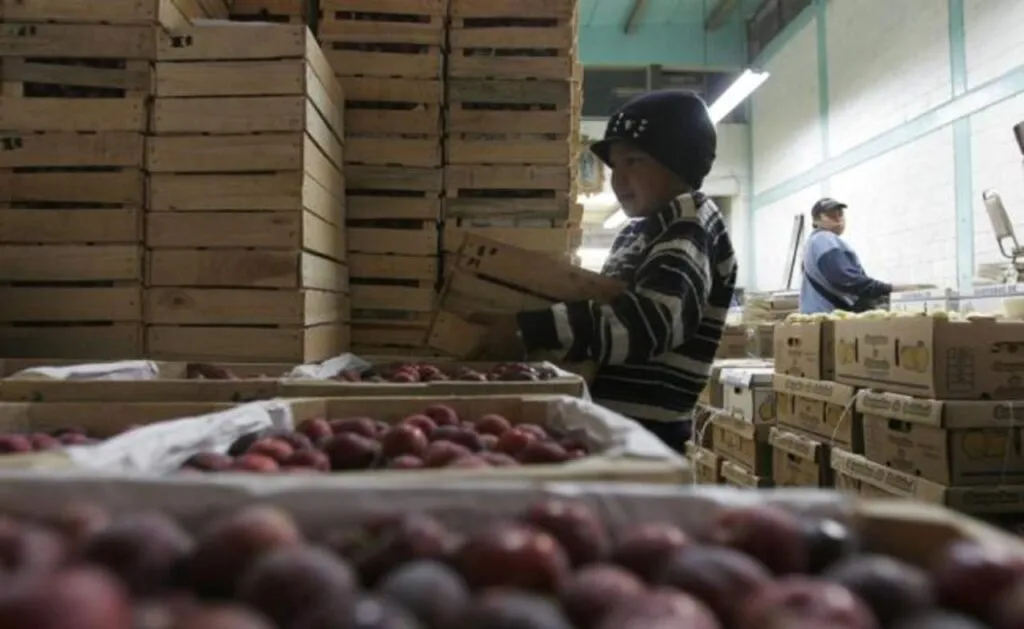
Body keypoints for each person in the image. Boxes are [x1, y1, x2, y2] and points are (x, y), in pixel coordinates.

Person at [473, 90, 737, 451]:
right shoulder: (639, 230)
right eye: (615, 165)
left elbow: (654, 321)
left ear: (678, 164)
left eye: (634, 161)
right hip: (615, 424)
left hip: (648, 436)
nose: (618, 178)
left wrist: (531, 328)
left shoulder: (688, 223)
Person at [799, 198, 893, 314]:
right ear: (817, 220)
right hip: (829, 317)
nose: (838, 217)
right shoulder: (823, 239)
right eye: (831, 214)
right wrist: (884, 288)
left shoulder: (814, 242)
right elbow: (845, 279)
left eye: (840, 213)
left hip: (818, 315)